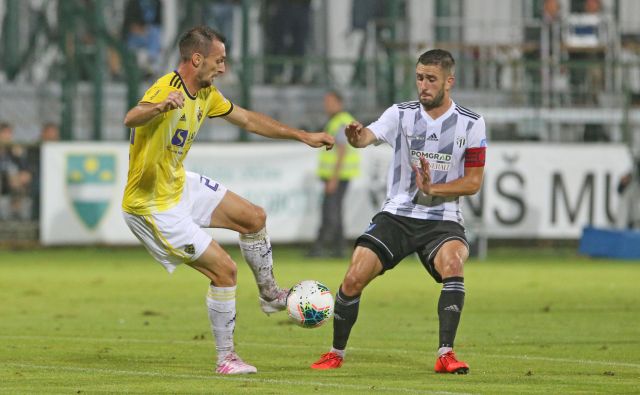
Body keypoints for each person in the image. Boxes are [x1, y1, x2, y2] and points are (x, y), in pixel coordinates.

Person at [121, 26, 334, 375]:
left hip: (177, 184)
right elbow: (131, 116)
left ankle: (269, 294)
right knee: (225, 271)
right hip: (151, 207)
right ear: (197, 59)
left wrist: (301, 135)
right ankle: (226, 358)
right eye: (219, 61)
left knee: (253, 217)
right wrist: (159, 107)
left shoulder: (206, 94)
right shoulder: (166, 89)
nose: (223, 67)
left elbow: (248, 119)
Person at [310, 49, 487, 374]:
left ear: (449, 81)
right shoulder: (401, 114)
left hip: (442, 218)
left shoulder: (472, 123)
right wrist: (356, 136)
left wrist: (434, 190)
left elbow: (473, 182)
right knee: (353, 276)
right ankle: (335, 352)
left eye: (431, 79)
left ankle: (446, 354)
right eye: (419, 77)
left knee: (453, 264)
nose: (423, 85)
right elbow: (368, 136)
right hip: (398, 215)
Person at [307, 91, 360, 258]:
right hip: (338, 175)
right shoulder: (338, 121)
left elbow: (342, 151)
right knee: (335, 211)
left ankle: (320, 247)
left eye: (330, 102)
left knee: (330, 212)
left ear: (339, 103)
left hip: (337, 176)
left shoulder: (340, 122)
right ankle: (339, 248)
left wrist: (334, 178)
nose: (326, 106)